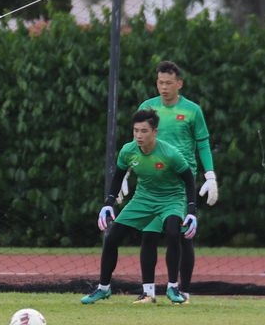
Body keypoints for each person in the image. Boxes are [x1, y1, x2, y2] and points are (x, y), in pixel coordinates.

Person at [119, 61, 217, 302]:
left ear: (179, 84)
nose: (164, 87)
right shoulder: (148, 107)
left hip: (180, 182)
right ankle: (148, 293)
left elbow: (202, 142)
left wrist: (210, 175)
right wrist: (126, 174)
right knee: (148, 234)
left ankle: (182, 289)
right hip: (151, 180)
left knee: (182, 234)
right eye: (160, 82)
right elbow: (136, 142)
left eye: (169, 83)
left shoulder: (192, 110)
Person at [81, 108, 197, 305]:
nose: (138, 136)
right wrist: (108, 204)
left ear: (155, 132)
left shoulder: (170, 154)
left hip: (171, 199)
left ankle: (172, 287)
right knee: (112, 238)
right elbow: (118, 177)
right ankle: (103, 288)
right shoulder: (128, 151)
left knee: (172, 232)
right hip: (143, 199)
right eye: (135, 131)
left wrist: (191, 211)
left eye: (144, 131)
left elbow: (189, 180)